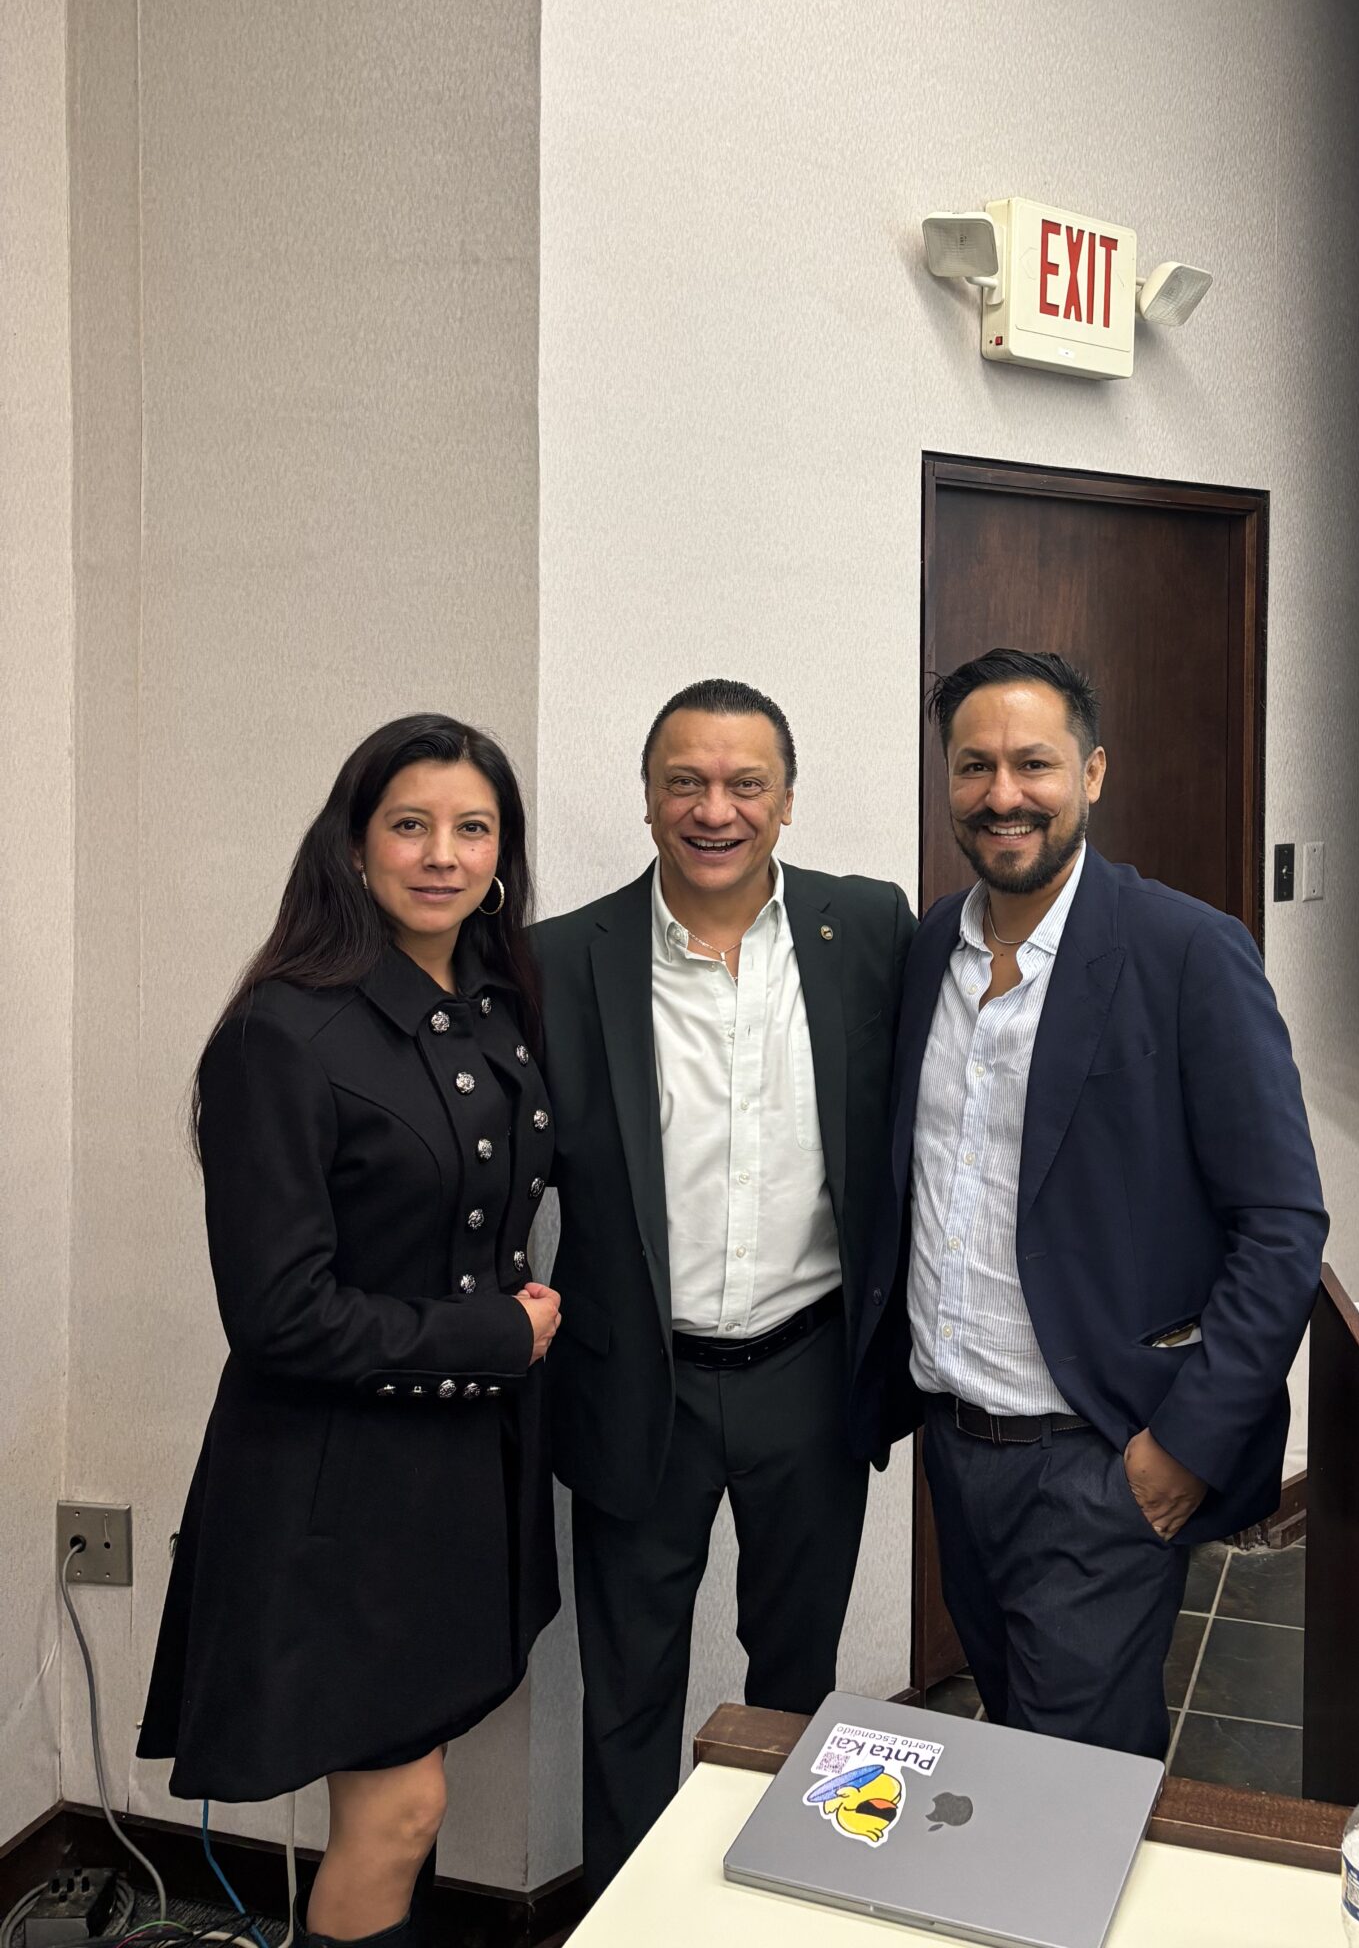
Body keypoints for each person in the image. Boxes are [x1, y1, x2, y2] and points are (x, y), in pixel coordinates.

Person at [852, 648, 1326, 1762]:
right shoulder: (932, 948)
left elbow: (1282, 1224)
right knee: (1013, 1746)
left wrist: (1182, 1449)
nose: (1002, 794)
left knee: (1069, 1781)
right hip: (956, 1445)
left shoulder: (1187, 951)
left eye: (1034, 763)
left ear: (1093, 773)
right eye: (974, 766)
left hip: (1101, 1456)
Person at [139, 715, 561, 1948]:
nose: (443, 854)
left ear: (502, 851)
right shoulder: (280, 1030)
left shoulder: (493, 999)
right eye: (410, 824)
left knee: (409, 1800)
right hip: (337, 1489)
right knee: (401, 1806)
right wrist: (494, 1336)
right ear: (355, 843)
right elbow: (279, 1314)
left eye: (473, 827)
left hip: (463, 1475)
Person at [533, 677, 915, 1897]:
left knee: (798, 1685)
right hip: (636, 1379)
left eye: (746, 784)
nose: (716, 809)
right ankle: (630, 1912)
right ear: (647, 799)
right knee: (626, 1692)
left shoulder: (869, 930)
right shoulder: (561, 959)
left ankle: (780, 1905)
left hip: (809, 1370)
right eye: (686, 783)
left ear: (787, 801)